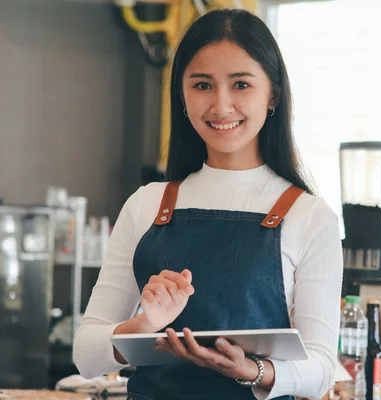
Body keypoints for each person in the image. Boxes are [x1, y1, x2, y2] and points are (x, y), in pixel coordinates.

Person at [72, 7, 343, 400]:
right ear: (182, 96)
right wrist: (146, 324)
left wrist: (252, 370)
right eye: (202, 85)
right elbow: (86, 355)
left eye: (241, 85)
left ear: (274, 95)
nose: (220, 105)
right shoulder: (147, 204)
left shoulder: (310, 216)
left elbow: (320, 371)